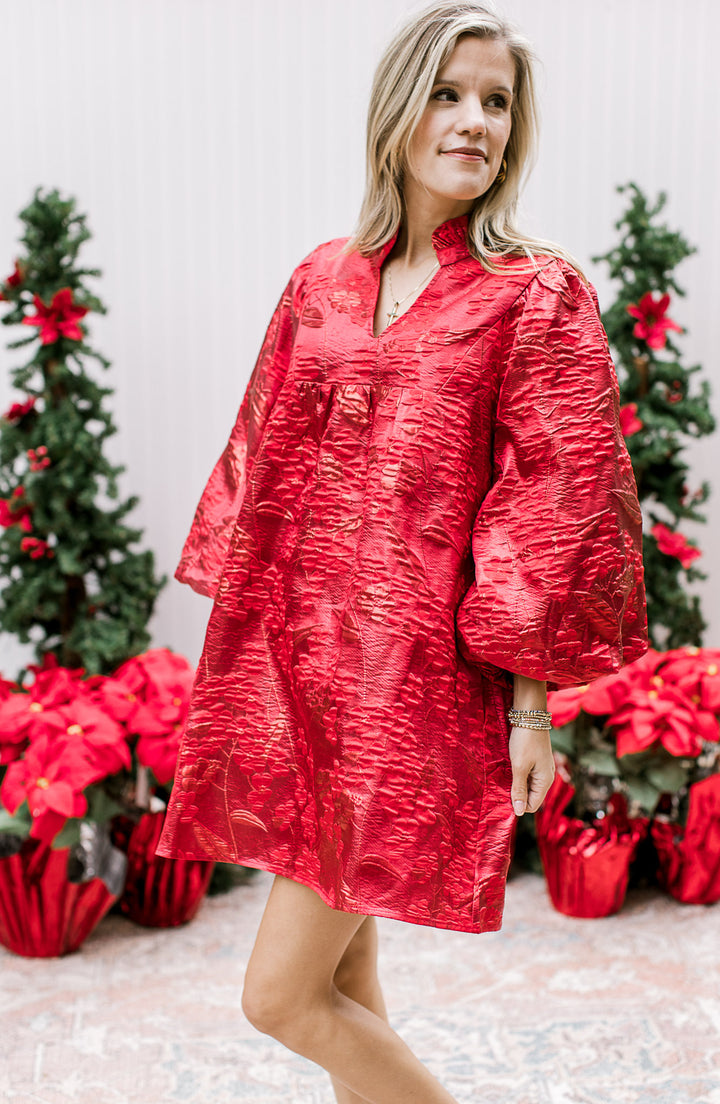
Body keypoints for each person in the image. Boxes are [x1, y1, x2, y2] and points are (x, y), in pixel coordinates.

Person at [156, 2, 648, 1100]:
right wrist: (243, 668)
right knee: (349, 979)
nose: (474, 121)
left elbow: (552, 516)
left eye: (497, 102)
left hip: (413, 685)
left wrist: (531, 709)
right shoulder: (321, 279)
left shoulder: (535, 294)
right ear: (398, 110)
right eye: (449, 92)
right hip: (297, 675)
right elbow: (259, 464)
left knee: (279, 998)